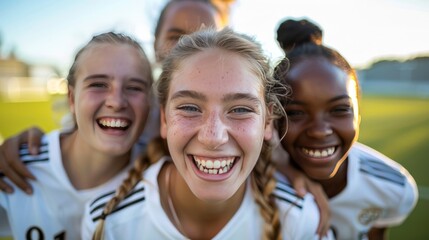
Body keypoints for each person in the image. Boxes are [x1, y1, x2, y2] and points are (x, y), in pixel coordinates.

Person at [82, 28, 332, 240]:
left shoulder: (300, 221)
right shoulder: (109, 223)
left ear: (267, 122)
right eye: (190, 108)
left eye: (240, 109)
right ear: (165, 120)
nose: (213, 137)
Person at [0, 0, 225, 195]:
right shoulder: (138, 107)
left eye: (205, 37)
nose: (190, 48)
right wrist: (28, 145)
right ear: (156, 44)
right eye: (175, 37)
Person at [0, 32, 153, 239]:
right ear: (71, 98)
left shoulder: (160, 177)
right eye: (98, 85)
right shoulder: (16, 168)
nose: (116, 102)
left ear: (150, 103)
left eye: (134, 88)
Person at [273, 26, 418, 239]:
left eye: (339, 109)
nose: (320, 131)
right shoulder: (251, 184)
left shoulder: (393, 188)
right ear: (273, 119)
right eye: (295, 112)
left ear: (358, 115)